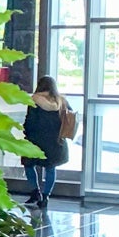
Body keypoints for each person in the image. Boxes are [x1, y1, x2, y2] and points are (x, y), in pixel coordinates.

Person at [22, 76, 70, 207]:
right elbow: (70, 117)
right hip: (56, 141)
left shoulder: (35, 100)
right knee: (50, 168)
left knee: (28, 164)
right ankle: (45, 196)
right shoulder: (61, 101)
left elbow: (30, 121)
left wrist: (26, 132)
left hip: (36, 140)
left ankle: (35, 191)